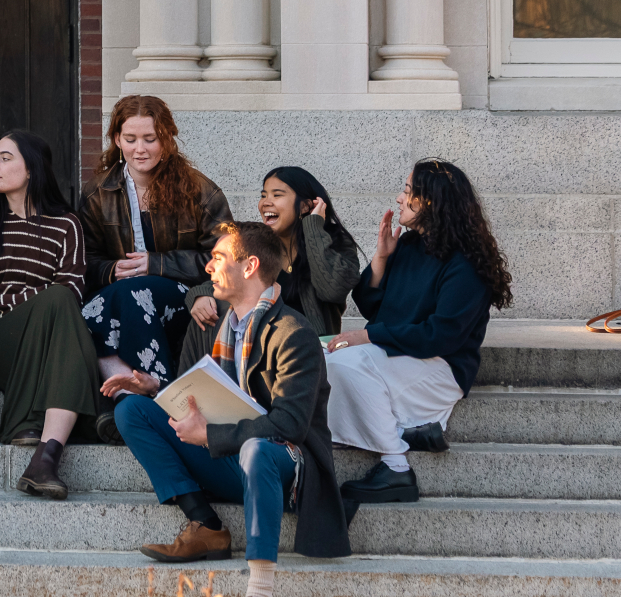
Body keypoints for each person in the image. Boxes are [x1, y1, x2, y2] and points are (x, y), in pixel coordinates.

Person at [111, 222, 351, 597]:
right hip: (227, 455)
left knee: (257, 450)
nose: (208, 267)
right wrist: (157, 390)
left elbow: (290, 425)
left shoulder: (292, 332)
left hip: (285, 465)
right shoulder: (213, 325)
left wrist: (208, 435)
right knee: (132, 410)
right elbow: (204, 394)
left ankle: (260, 584)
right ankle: (204, 524)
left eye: (219, 258)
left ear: (250, 267)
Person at [326, 158, 513, 505]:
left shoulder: (466, 264)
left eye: (408, 191)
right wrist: (381, 257)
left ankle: (396, 467)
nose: (399, 198)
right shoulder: (410, 245)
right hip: (399, 357)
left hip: (440, 367)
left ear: (431, 201)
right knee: (321, 358)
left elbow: (441, 335)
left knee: (343, 364)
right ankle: (408, 433)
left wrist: (367, 337)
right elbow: (371, 306)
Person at [0, 130, 102, 499]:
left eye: (5, 158)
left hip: (40, 339)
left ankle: (44, 460)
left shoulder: (66, 225)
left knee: (58, 303)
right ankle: (38, 422)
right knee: (55, 305)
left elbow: (69, 292)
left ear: (32, 169)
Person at [81, 95, 233, 429]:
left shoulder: (198, 189)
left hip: (188, 295)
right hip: (114, 296)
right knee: (92, 309)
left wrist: (158, 264)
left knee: (136, 293)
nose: (140, 148)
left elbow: (224, 256)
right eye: (131, 139)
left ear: (166, 138)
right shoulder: (97, 193)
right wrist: (108, 269)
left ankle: (160, 394)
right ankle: (128, 397)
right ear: (117, 139)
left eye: (150, 139)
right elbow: (83, 261)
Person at [185, 167, 362, 341]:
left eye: (277, 195)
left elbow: (332, 291)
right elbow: (228, 278)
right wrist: (201, 295)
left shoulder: (336, 242)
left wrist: (314, 229)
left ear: (305, 206)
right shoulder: (258, 243)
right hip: (260, 346)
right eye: (263, 195)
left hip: (312, 347)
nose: (266, 202)